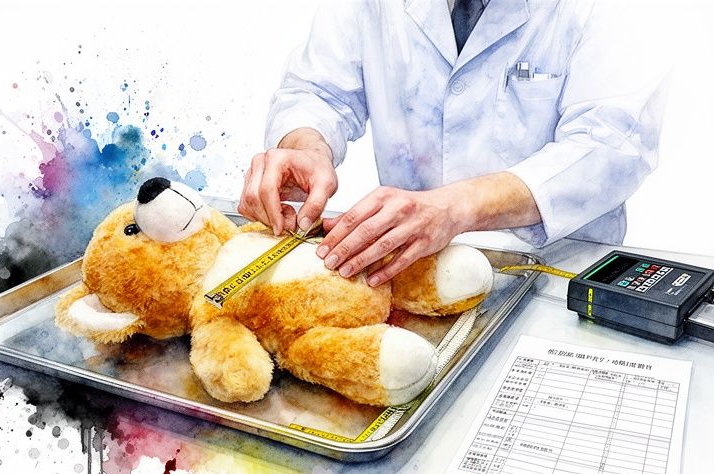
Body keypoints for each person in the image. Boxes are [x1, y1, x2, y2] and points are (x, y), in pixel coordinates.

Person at [239, 0, 665, 287]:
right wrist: (305, 146)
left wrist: (456, 207)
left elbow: (611, 143)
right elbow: (318, 91)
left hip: (558, 278)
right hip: (409, 272)